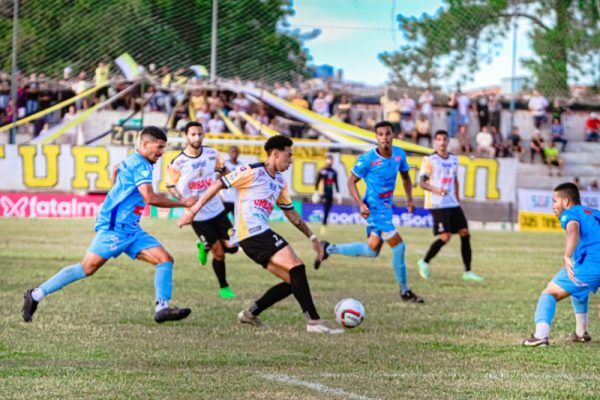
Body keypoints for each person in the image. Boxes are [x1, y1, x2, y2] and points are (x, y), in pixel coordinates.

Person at [22, 127, 194, 324]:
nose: (162, 152)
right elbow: (150, 197)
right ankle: (35, 295)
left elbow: (116, 169)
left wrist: (115, 193)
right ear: (145, 144)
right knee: (86, 268)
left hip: (131, 229)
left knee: (165, 260)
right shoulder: (141, 165)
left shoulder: (137, 161)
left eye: (163, 148)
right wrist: (184, 203)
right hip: (115, 229)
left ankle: (162, 308)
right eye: (159, 147)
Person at [177, 135, 344, 334]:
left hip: (253, 237)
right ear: (275, 154)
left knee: (294, 281)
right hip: (252, 232)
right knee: (297, 266)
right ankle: (314, 322)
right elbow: (219, 184)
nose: (291, 161)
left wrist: (313, 238)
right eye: (288, 155)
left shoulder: (280, 181)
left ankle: (250, 314)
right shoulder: (251, 171)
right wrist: (193, 210)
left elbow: (292, 214)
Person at [315, 121, 424, 303]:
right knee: (399, 246)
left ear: (393, 135)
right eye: (380, 134)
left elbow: (405, 177)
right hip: (373, 208)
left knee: (372, 250)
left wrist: (410, 199)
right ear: (376, 137)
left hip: (386, 208)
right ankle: (405, 291)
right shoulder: (368, 159)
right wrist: (360, 204)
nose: (384, 138)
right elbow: (351, 181)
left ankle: (328, 248)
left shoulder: (399, 155)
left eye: (387, 134)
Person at [166, 122, 238, 299]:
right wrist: (182, 200)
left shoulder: (213, 154)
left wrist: (236, 181)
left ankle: (204, 244)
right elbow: (170, 185)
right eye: (193, 134)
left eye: (199, 134)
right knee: (219, 253)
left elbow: (225, 172)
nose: (197, 138)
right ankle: (224, 286)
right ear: (186, 136)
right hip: (198, 216)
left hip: (218, 210)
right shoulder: (178, 162)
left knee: (233, 247)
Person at [522, 183, 600, 346]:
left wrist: (567, 256)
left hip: (592, 265)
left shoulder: (569, 214)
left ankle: (540, 336)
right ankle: (580, 333)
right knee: (578, 291)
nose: (553, 207)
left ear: (565, 201)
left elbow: (573, 230)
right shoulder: (594, 212)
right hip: (593, 264)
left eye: (554, 201)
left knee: (549, 293)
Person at [417, 130, 485, 282]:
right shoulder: (430, 159)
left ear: (448, 142)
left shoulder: (454, 159)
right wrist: (437, 190)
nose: (442, 142)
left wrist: (458, 198)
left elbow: (454, 179)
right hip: (437, 203)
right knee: (445, 237)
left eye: (444, 139)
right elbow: (422, 183)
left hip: (452, 202)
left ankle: (467, 271)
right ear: (435, 142)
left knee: (465, 232)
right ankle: (424, 261)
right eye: (439, 139)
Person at [315, 154, 339, 233]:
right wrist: (316, 192)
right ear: (326, 160)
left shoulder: (334, 172)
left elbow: (336, 183)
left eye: (331, 160)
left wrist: (338, 194)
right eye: (328, 159)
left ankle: (324, 225)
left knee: (328, 210)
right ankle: (323, 226)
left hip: (330, 193)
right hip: (323, 193)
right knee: (325, 209)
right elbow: (317, 181)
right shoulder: (322, 170)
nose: (330, 161)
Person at [221, 145, 242, 216]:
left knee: (238, 222)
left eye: (236, 152)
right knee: (220, 221)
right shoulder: (224, 164)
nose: (234, 154)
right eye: (232, 152)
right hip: (224, 198)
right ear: (229, 153)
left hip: (236, 199)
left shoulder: (241, 166)